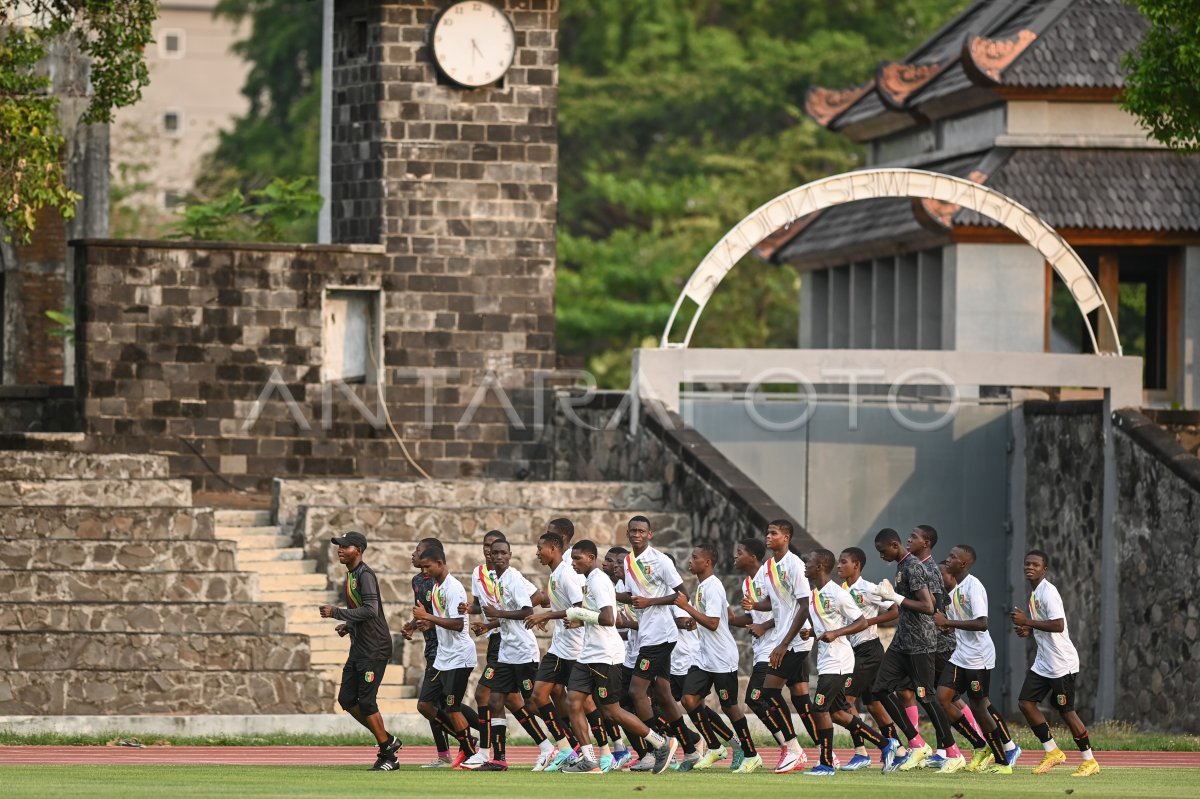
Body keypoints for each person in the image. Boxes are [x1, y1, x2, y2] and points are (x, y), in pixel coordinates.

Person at [562, 539, 678, 774]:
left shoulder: (600, 581)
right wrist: (580, 618)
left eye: (578, 558)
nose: (573, 563)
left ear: (591, 558)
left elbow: (608, 618)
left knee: (611, 710)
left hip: (606, 655)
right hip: (588, 653)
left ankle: (660, 742)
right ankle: (590, 760)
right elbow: (594, 615)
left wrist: (577, 612)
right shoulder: (589, 581)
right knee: (573, 701)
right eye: (572, 558)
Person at [800, 548, 899, 776]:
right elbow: (826, 626)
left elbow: (862, 622)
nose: (805, 565)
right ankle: (886, 744)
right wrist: (812, 634)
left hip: (839, 661)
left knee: (819, 708)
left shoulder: (838, 593)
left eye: (809, 561)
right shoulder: (815, 593)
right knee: (837, 714)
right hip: (826, 660)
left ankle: (826, 763)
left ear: (820, 566)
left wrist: (836, 634)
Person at [614, 517, 701, 766]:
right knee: (663, 694)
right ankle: (691, 747)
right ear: (628, 534)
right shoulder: (629, 561)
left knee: (636, 691)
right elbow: (633, 596)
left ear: (650, 534)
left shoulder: (660, 560)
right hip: (647, 635)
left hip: (661, 635)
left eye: (642, 531)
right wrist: (607, 593)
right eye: (633, 531)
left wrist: (650, 602)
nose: (637, 535)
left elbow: (681, 593)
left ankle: (657, 747)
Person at [871, 527, 956, 772]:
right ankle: (917, 742)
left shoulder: (913, 566)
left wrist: (895, 598)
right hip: (903, 641)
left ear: (894, 545)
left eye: (882, 551)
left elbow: (928, 606)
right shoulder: (901, 567)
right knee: (880, 688)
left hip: (921, 642)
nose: (881, 556)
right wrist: (886, 597)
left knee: (925, 696)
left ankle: (952, 751)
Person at [1010, 549, 1099, 777]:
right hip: (1044, 663)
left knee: (1066, 711)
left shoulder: (1049, 592)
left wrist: (1027, 621)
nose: (1030, 567)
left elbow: (1058, 625)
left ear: (1044, 569)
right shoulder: (1034, 594)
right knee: (1026, 703)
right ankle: (1052, 751)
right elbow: (1043, 624)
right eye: (1027, 564)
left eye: (1036, 565)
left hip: (1061, 663)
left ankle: (1089, 761)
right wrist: (1028, 629)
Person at [674, 542, 763, 773]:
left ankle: (751, 754)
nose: (690, 561)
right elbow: (727, 615)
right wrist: (698, 618)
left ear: (708, 562)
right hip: (704, 657)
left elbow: (714, 624)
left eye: (694, 557)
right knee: (689, 699)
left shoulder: (713, 586)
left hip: (722, 657)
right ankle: (715, 746)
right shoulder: (703, 586)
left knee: (730, 707)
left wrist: (688, 608)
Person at [319, 531, 402, 771]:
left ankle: (388, 755)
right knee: (346, 698)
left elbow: (371, 610)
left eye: (345, 546)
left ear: (359, 550)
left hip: (374, 648)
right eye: (339, 546)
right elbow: (361, 611)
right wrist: (349, 625)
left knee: (366, 702)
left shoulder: (365, 574)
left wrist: (336, 612)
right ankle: (388, 741)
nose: (340, 550)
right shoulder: (352, 574)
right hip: (359, 647)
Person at [933, 545, 1021, 774]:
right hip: (960, 656)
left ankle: (1002, 761)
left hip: (979, 659)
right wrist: (946, 629)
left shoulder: (974, 586)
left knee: (979, 708)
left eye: (952, 557)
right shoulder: (953, 593)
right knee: (942, 698)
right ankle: (980, 745)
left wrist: (947, 623)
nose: (948, 559)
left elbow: (982, 623)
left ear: (963, 564)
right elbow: (957, 626)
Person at [467, 538, 552, 771]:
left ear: (509, 554)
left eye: (501, 552)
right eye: (493, 552)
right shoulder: (493, 578)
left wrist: (498, 613)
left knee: (532, 703)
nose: (497, 556)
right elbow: (491, 610)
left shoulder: (513, 577)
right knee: (496, 699)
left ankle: (565, 744)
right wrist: (488, 624)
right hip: (505, 649)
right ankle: (498, 758)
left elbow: (530, 606)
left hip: (523, 651)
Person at [743, 519, 812, 773]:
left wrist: (783, 643)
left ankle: (794, 749)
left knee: (767, 693)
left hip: (794, 642)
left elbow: (804, 606)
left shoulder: (795, 564)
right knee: (798, 698)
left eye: (773, 533)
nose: (768, 537)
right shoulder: (770, 566)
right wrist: (754, 606)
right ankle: (823, 754)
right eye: (767, 533)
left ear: (787, 537)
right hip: (783, 640)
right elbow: (775, 603)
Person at [730, 538, 799, 763]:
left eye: (739, 552)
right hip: (761, 649)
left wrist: (764, 626)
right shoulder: (746, 583)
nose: (735, 556)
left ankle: (791, 746)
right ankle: (789, 746)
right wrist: (732, 620)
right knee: (765, 698)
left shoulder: (768, 575)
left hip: (776, 645)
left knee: (756, 697)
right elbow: (754, 617)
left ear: (753, 557)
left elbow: (783, 608)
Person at [412, 542, 479, 769]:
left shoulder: (453, 588)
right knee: (425, 705)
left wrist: (428, 618)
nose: (424, 572)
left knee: (453, 707)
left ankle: (473, 750)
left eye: (427, 567)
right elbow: (442, 621)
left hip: (459, 656)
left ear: (440, 563)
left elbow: (459, 624)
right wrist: (426, 625)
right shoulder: (437, 587)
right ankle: (469, 745)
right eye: (421, 568)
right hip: (443, 656)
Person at [836, 546, 899, 770]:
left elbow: (894, 610)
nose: (839, 565)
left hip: (869, 651)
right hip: (853, 653)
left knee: (845, 702)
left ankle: (861, 753)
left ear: (857, 565)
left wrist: (866, 622)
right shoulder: (839, 590)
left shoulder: (869, 588)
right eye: (839, 562)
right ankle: (898, 750)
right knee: (873, 705)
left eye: (844, 562)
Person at [525, 531, 584, 771]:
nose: (537, 552)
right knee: (538, 696)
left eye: (541, 548)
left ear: (554, 548)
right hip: (560, 647)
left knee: (588, 706)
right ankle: (567, 750)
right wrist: (549, 617)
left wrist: (548, 614)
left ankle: (608, 752)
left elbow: (580, 607)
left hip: (578, 648)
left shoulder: (567, 574)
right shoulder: (554, 574)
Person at [400, 537, 458, 768]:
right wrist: (413, 625)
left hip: (445, 648)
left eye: (418, 551)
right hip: (431, 648)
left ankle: (470, 740)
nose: (414, 555)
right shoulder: (417, 581)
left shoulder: (443, 583)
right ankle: (445, 754)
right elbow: (423, 613)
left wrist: (430, 623)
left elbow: (447, 616)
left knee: (431, 704)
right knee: (438, 705)